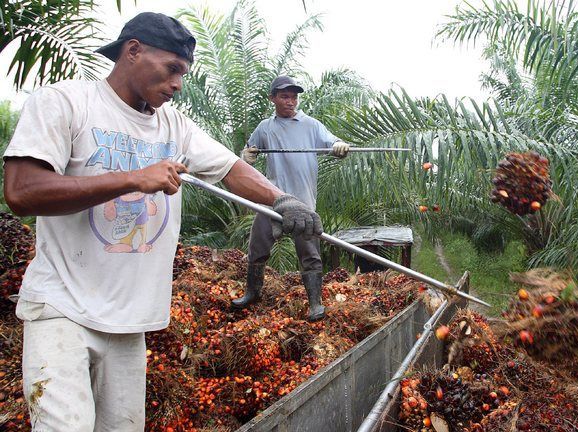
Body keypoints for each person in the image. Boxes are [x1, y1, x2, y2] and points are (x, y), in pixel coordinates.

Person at [2, 13, 321, 432]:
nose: (177, 84)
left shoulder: (176, 126)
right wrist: (134, 178)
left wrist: (283, 200)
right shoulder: (66, 102)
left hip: (131, 322)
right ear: (133, 50)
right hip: (62, 308)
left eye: (183, 74)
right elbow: (22, 191)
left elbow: (231, 170)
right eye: (172, 69)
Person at [232, 76, 350, 321]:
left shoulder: (311, 125)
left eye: (294, 97)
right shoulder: (266, 127)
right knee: (257, 247)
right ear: (273, 98)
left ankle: (315, 303)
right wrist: (247, 155)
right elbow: (247, 154)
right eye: (285, 96)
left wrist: (340, 146)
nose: (290, 101)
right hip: (273, 202)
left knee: (310, 253)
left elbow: (333, 143)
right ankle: (252, 292)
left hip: (303, 202)